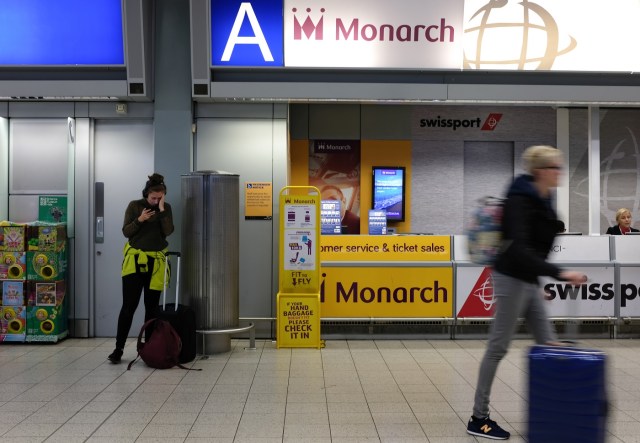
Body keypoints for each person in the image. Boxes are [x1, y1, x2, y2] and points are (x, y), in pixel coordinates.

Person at [467, 146, 587, 440]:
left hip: (529, 279)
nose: (560, 172)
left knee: (548, 344)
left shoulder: (544, 196)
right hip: (510, 277)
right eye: (556, 167)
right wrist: (559, 274)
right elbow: (518, 248)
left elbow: (534, 247)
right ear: (542, 170)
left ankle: (553, 412)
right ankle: (478, 418)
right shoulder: (520, 198)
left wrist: (538, 283)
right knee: (498, 347)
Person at [108, 173, 174, 363]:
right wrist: (140, 219)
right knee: (129, 306)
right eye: (153, 198)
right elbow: (126, 232)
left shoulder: (165, 208)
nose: (155, 201)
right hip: (135, 261)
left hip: (156, 262)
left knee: (152, 307)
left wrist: (162, 210)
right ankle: (118, 349)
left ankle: (150, 348)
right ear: (146, 194)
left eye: (159, 198)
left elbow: (168, 231)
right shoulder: (134, 205)